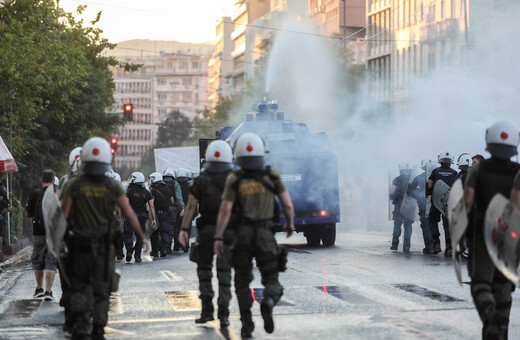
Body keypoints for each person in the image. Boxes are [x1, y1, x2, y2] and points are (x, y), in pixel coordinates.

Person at [61, 137, 149, 340]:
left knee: (80, 285)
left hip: (79, 246)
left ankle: (81, 325)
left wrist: (59, 240)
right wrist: (142, 237)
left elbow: (62, 216)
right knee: (102, 288)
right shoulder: (112, 186)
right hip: (104, 248)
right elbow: (129, 213)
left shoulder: (74, 184)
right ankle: (99, 328)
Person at [214, 132, 295, 338]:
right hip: (265, 234)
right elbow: (286, 203)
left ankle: (246, 326)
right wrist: (290, 223)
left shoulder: (234, 178)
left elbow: (225, 210)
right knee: (271, 278)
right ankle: (268, 301)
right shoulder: (272, 175)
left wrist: (218, 237)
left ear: (238, 155)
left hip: (242, 235)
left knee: (242, 282)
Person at [464, 120, 520, 339]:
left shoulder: (478, 169)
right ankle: (500, 329)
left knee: (480, 283)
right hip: (510, 236)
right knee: (503, 285)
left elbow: (467, 202)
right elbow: (516, 205)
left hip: (483, 233)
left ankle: (490, 316)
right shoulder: (518, 171)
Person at [179, 140, 234, 328]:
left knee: (204, 271)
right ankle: (224, 313)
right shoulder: (234, 179)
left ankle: (207, 311)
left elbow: (191, 205)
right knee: (224, 272)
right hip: (227, 231)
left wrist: (184, 229)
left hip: (205, 230)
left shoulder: (201, 179)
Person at [25, 169, 57, 301]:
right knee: (51, 262)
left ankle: (39, 289)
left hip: (38, 233)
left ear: (41, 180)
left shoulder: (35, 193)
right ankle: (48, 292)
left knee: (38, 260)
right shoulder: (56, 193)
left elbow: (27, 213)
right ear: (54, 181)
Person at [427, 151, 458, 257]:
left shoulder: (435, 171)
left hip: (435, 203)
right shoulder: (454, 173)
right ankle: (449, 248)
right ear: (450, 161)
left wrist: (427, 192)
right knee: (447, 225)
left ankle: (436, 244)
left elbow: (430, 185)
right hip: (447, 204)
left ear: (440, 159)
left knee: (432, 221)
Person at [124, 172, 156, 262]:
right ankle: (137, 256)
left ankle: (129, 249)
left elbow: (125, 204)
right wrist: (153, 219)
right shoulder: (146, 192)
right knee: (140, 236)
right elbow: (151, 206)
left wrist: (123, 214)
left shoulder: (129, 191)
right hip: (142, 216)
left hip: (130, 216)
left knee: (127, 235)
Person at [406, 159, 433, 253]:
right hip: (434, 206)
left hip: (423, 205)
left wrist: (418, 196)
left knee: (425, 225)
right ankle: (435, 244)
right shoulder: (436, 176)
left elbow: (410, 191)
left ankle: (429, 246)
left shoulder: (418, 178)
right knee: (433, 225)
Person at [389, 162, 414, 252]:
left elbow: (392, 191)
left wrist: (391, 197)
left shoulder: (397, 179)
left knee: (397, 224)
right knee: (408, 225)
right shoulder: (413, 179)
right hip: (410, 206)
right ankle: (406, 245)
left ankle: (395, 244)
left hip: (398, 206)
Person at [149, 172, 173, 258]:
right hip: (165, 213)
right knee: (165, 231)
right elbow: (172, 201)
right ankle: (165, 249)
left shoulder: (152, 191)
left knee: (154, 233)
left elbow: (151, 203)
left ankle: (155, 251)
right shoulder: (167, 189)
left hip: (156, 214)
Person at [163, 168, 184, 253]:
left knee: (161, 228)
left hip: (161, 209)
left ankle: (162, 246)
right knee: (171, 228)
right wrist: (182, 209)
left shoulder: (160, 183)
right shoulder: (175, 184)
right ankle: (168, 246)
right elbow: (179, 198)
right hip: (172, 209)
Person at [174, 168, 191, 252]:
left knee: (177, 228)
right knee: (187, 228)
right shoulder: (190, 186)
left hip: (177, 209)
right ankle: (186, 245)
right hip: (188, 210)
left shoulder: (175, 185)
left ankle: (176, 246)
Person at [0, 179, 12, 261]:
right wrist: (10, 203)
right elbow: (9, 209)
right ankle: (0, 252)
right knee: (0, 236)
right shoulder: (2, 201)